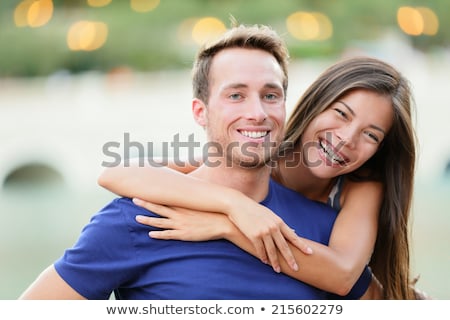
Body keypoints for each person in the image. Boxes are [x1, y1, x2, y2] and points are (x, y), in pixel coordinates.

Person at [19, 23, 374, 300]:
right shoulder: (138, 217)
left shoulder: (324, 228)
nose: (257, 113)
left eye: (270, 95)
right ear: (200, 113)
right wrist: (234, 207)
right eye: (236, 95)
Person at [97, 55, 420, 299]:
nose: (347, 138)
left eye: (371, 135)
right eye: (340, 113)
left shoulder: (363, 183)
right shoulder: (257, 155)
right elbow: (117, 172)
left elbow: (344, 274)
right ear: (315, 104)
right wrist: (238, 206)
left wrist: (228, 226)